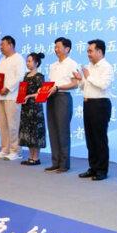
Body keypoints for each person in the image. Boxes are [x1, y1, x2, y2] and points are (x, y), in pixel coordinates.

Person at [75, 39, 113, 181]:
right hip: (88, 104)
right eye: (87, 51)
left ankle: (102, 170)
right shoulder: (88, 67)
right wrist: (80, 79)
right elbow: (84, 86)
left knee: (99, 138)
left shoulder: (106, 67)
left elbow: (103, 85)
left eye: (90, 51)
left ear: (99, 51)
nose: (88, 54)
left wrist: (88, 76)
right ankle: (93, 167)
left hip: (100, 104)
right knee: (90, 138)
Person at [44, 37, 80, 173]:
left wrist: (58, 88)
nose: (56, 49)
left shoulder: (72, 64)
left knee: (62, 130)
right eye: (55, 47)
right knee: (52, 130)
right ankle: (55, 162)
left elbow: (75, 84)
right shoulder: (53, 65)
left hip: (63, 98)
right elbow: (50, 83)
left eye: (58, 47)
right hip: (51, 97)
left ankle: (64, 164)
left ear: (67, 49)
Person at [0, 35, 26, 161]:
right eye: (0, 45)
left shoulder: (18, 58)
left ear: (10, 45)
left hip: (13, 96)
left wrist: (8, 88)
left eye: (3, 44)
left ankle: (15, 151)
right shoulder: (2, 59)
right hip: (1, 96)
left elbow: (20, 77)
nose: (0, 47)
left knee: (13, 125)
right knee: (2, 125)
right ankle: (4, 149)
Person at [18, 53, 47, 166]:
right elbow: (22, 91)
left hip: (35, 108)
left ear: (36, 63)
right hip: (25, 107)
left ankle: (36, 158)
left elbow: (41, 92)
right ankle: (30, 157)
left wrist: (29, 96)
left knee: (35, 132)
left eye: (30, 61)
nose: (27, 63)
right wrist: (20, 97)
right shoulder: (26, 75)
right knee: (27, 131)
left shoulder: (39, 76)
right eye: (27, 61)